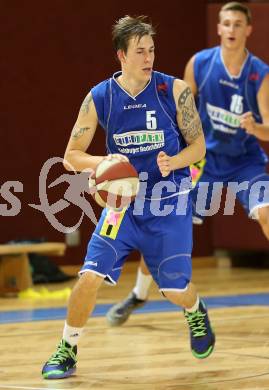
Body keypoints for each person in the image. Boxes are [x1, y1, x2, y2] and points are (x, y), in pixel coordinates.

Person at [41, 16, 215, 379]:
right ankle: (67, 348)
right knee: (88, 277)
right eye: (140, 51)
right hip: (122, 206)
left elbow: (198, 145)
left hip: (169, 201)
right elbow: (72, 155)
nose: (148, 57)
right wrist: (104, 162)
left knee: (173, 288)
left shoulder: (174, 90)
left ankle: (195, 310)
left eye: (151, 50)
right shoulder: (101, 96)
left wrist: (176, 160)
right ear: (122, 55)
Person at [107, 1, 269, 327]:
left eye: (238, 24)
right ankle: (139, 294)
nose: (232, 29)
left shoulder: (259, 73)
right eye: (226, 23)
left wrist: (256, 127)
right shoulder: (201, 63)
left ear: (248, 29)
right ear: (219, 28)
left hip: (244, 161)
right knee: (161, 221)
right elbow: (178, 114)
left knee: (267, 213)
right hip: (203, 160)